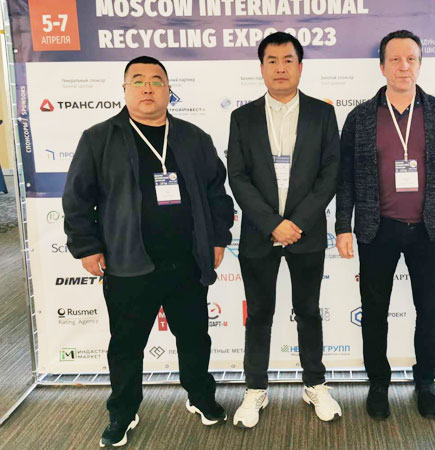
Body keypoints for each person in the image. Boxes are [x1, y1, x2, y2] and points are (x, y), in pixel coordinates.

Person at [62, 56, 234, 447]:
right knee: (126, 345)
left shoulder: (193, 137)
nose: (147, 87)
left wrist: (218, 238)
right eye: (137, 80)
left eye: (157, 80)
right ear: (124, 90)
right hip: (128, 263)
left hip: (187, 262)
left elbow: (216, 193)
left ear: (168, 90)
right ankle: (123, 411)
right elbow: (77, 199)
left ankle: (200, 396)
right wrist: (87, 246)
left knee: (194, 337)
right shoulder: (99, 138)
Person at [335, 30, 435, 419]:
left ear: (420, 64)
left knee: (429, 311)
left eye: (411, 58)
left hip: (429, 228)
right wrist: (343, 226)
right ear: (381, 66)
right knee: (375, 311)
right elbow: (346, 179)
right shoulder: (360, 117)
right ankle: (378, 382)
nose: (403, 66)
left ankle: (425, 381)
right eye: (395, 59)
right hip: (377, 229)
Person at [227, 32, 341, 428]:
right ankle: (255, 389)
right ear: (261, 68)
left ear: (300, 67)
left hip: (306, 233)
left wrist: (297, 223)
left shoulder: (322, 114)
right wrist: (273, 224)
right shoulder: (242, 118)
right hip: (260, 234)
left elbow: (329, 174)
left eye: (288, 60)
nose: (280, 68)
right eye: (272, 61)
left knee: (308, 311)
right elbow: (238, 177)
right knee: (259, 313)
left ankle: (315, 384)